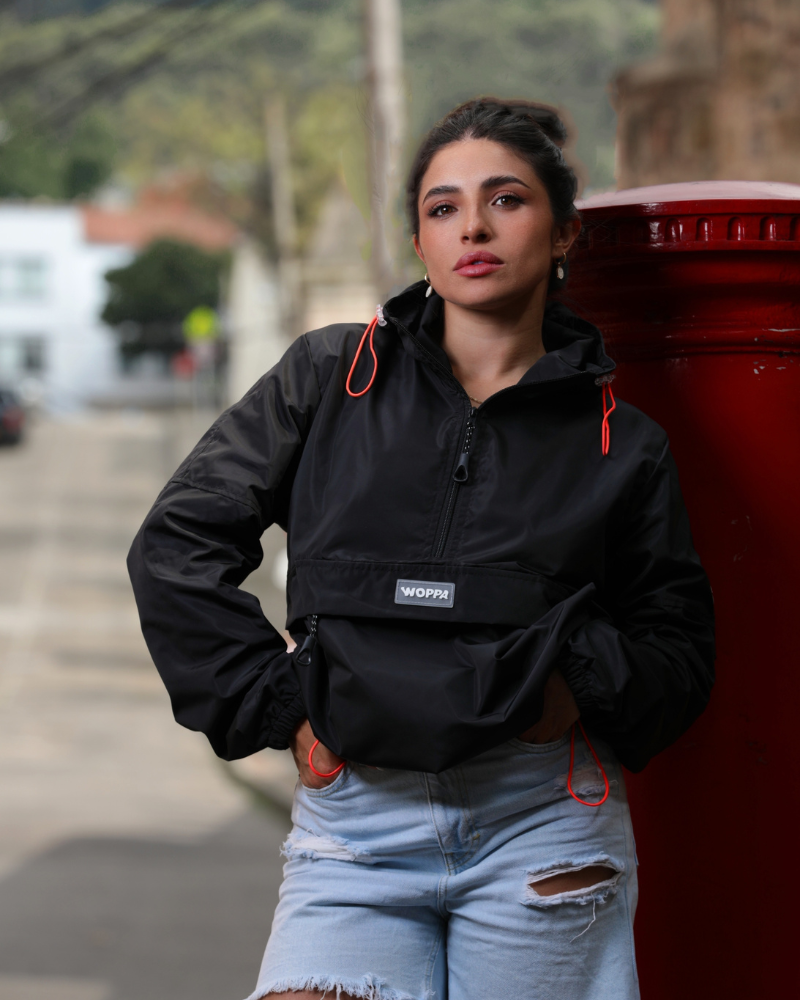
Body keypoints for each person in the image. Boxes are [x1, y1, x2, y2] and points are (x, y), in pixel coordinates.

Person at [128, 98, 715, 1000]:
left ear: (562, 233)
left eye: (506, 200)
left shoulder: (621, 440)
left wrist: (570, 687)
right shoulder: (329, 375)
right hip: (355, 830)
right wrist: (282, 705)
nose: (472, 226)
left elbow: (678, 648)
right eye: (442, 207)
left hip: (541, 821)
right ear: (420, 244)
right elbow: (175, 547)